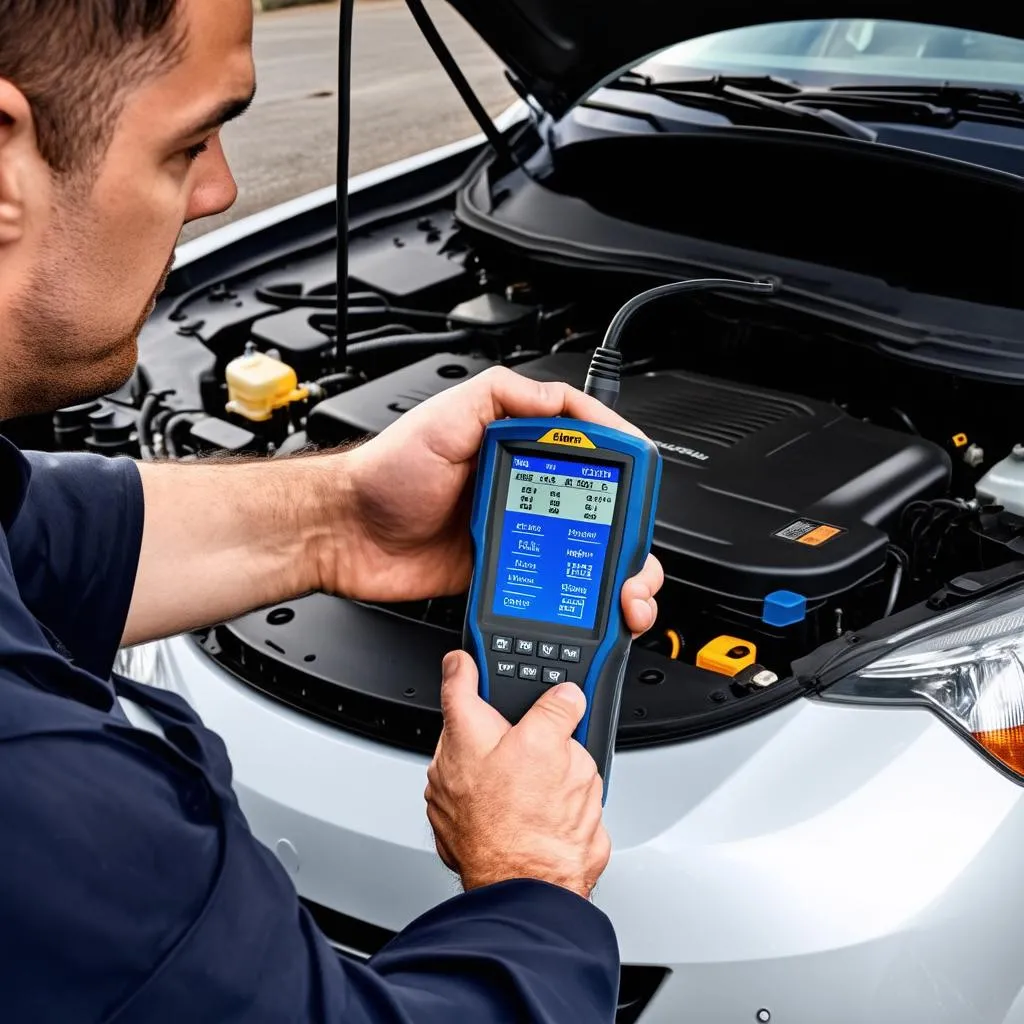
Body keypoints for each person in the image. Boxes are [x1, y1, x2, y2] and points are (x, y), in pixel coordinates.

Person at [0, 1, 666, 1021]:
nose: (221, 190)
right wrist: (530, 882)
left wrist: (340, 515)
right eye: (189, 142)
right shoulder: (48, 801)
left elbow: (34, 537)